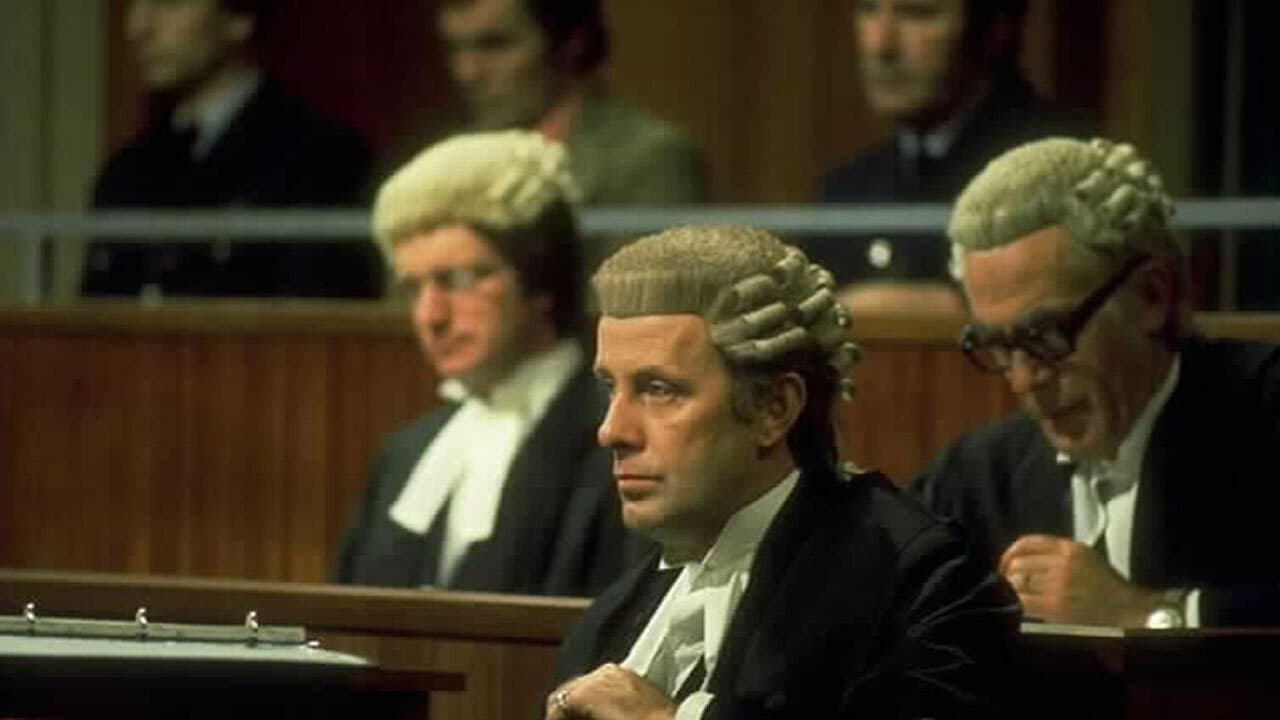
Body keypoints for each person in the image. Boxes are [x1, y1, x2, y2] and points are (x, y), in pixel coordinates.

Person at [550, 225, 1018, 718]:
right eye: (611, 388)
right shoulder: (608, 620)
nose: (612, 430)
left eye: (658, 390)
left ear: (774, 408)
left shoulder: (920, 587)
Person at [912, 136, 1280, 628]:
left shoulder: (1265, 409)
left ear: (1151, 296)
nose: (1023, 379)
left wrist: (1147, 613)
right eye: (997, 344)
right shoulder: (980, 474)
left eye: (1045, 335)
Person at [335, 130, 633, 595]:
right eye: (413, 288)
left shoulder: (618, 442)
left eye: (459, 279)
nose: (430, 316)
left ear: (541, 279)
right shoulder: (404, 454)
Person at [83, 0, 381, 298]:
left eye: (169, 3)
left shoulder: (321, 157)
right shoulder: (125, 170)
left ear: (240, 17)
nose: (138, 27)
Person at [815, 0, 1084, 309]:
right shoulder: (846, 189)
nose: (881, 45)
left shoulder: (1063, 175)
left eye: (918, 12)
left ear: (996, 28)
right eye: (868, 9)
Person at [433, 0, 708, 206]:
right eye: (455, 47)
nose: (466, 72)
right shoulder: (447, 163)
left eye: (495, 45)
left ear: (572, 43)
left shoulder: (650, 160)